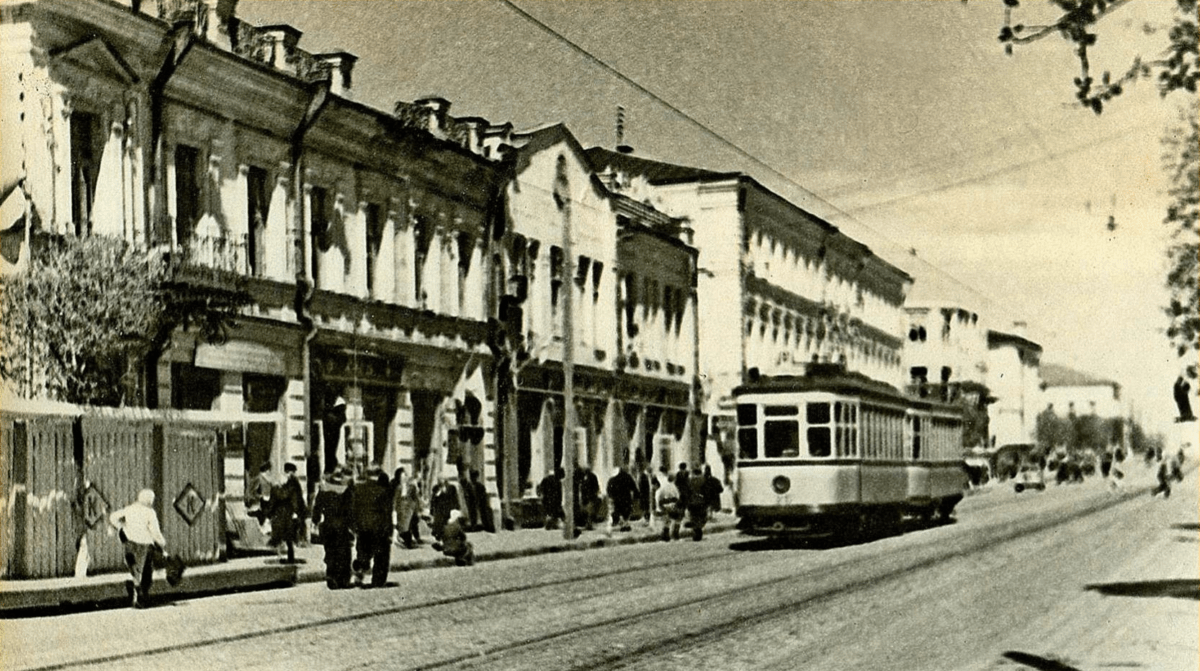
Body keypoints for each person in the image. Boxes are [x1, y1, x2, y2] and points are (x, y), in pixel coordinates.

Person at [109, 488, 167, 608]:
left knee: (135, 569)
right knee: (146, 572)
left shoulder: (130, 509)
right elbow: (155, 532)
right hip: (145, 545)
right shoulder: (150, 512)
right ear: (149, 500)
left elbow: (113, 517)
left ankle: (134, 589)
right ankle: (141, 596)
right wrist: (162, 543)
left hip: (130, 543)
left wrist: (121, 527)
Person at [351, 465, 393, 587]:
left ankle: (359, 568)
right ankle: (378, 581)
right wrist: (389, 532)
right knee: (381, 556)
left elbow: (353, 510)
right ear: (378, 474)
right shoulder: (383, 491)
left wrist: (356, 527)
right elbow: (386, 514)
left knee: (363, 552)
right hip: (379, 529)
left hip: (363, 529)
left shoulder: (358, 489)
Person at [311, 469, 353, 589]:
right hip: (341, 526)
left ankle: (331, 575)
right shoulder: (346, 491)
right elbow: (350, 510)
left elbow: (317, 508)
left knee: (330, 552)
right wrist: (353, 526)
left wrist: (315, 521)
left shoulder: (323, 491)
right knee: (343, 553)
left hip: (327, 526)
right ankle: (342, 579)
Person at [267, 462, 307, 563]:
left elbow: (286, 495)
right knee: (289, 538)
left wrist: (275, 489)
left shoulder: (291, 483)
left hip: (289, 514)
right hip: (291, 513)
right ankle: (289, 557)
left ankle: (288, 558)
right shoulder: (293, 482)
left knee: (287, 537)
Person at [393, 467, 423, 549]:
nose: (403, 479)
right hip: (401, 509)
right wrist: (394, 509)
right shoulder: (399, 488)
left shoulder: (411, 487)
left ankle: (408, 542)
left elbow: (415, 498)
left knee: (408, 525)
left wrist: (417, 509)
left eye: (404, 477)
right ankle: (405, 540)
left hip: (409, 508)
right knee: (402, 526)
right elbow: (396, 499)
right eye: (402, 478)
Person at [606, 466, 637, 532]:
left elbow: (609, 489)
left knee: (618, 511)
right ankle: (625, 525)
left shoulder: (613, 478)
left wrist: (610, 496)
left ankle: (622, 524)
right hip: (626, 498)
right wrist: (636, 495)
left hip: (617, 498)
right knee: (626, 512)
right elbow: (633, 486)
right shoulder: (628, 476)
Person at [655, 474, 682, 541]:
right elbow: (677, 497)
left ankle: (665, 535)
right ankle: (675, 534)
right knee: (677, 519)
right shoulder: (674, 487)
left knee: (666, 522)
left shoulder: (663, 486)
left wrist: (660, 507)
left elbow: (659, 498)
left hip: (664, 506)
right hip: (672, 505)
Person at [686, 466, 709, 541]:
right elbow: (706, 492)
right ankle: (699, 529)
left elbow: (687, 492)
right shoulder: (704, 480)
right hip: (702, 501)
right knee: (701, 516)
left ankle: (696, 531)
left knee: (694, 517)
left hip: (692, 501)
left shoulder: (690, 481)